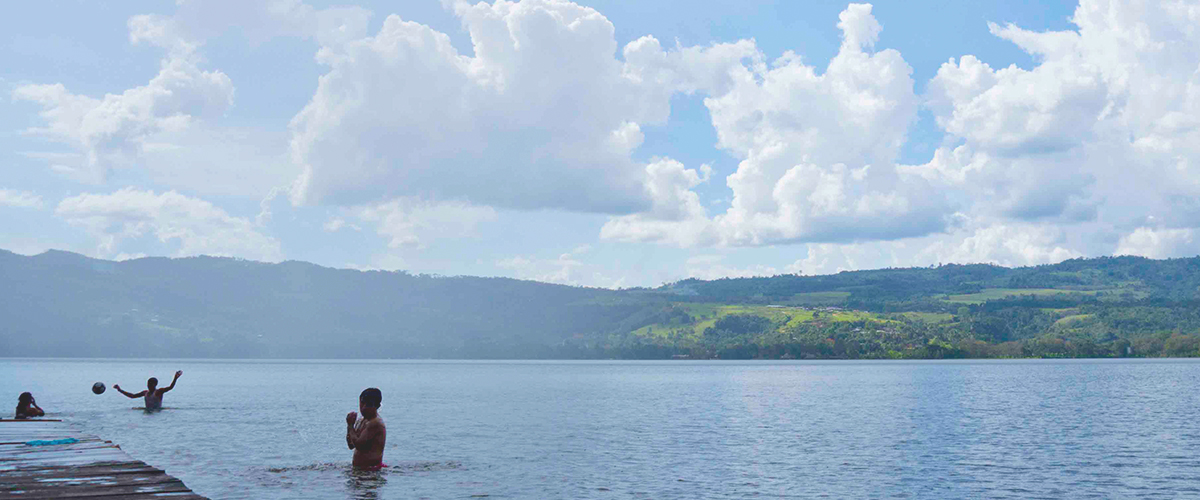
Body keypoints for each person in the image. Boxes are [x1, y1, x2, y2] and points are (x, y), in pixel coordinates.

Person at [345, 388, 387, 469]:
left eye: (369, 404)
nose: (364, 407)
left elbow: (358, 445)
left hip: (372, 470)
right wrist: (349, 426)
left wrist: (350, 426)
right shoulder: (361, 420)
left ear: (377, 406)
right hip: (360, 469)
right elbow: (351, 445)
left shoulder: (375, 423)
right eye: (362, 403)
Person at [114, 370, 182, 410]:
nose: (148, 385)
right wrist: (119, 390)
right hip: (148, 410)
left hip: (156, 411)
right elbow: (132, 396)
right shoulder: (145, 393)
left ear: (155, 384)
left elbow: (170, 387)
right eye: (148, 384)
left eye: (150, 384)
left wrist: (175, 378)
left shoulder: (158, 392)